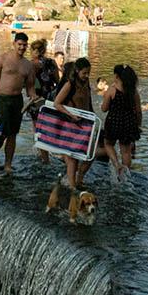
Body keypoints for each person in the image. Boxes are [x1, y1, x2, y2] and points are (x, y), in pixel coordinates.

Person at [47, 58, 95, 219]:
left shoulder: (86, 84)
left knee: (90, 155)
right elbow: (57, 103)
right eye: (84, 73)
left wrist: (93, 119)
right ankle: (73, 188)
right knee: (72, 158)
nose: (87, 76)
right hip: (71, 125)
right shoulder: (70, 84)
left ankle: (77, 179)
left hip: (85, 124)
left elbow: (88, 103)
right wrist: (71, 115)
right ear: (77, 71)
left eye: (89, 73)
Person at [0, 33, 35, 173]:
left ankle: (8, 164)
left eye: (24, 45)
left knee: (13, 134)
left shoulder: (28, 65)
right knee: (2, 132)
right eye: (19, 44)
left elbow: (30, 87)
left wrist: (34, 98)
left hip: (17, 101)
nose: (22, 47)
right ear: (14, 44)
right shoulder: (2, 59)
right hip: (2, 99)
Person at [101, 65, 141, 179]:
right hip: (128, 123)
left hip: (113, 123)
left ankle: (116, 164)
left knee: (108, 144)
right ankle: (125, 175)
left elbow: (104, 108)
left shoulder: (112, 90)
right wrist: (138, 125)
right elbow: (138, 111)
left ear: (117, 76)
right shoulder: (133, 92)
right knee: (126, 151)